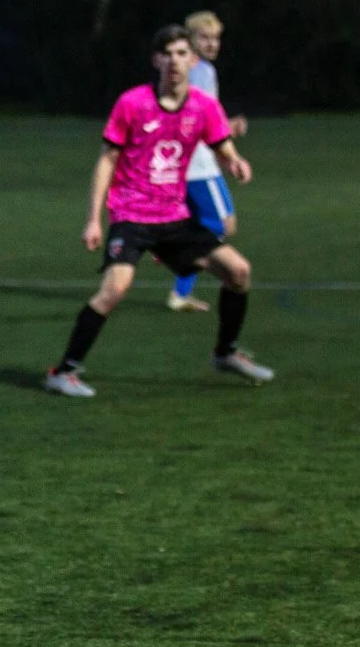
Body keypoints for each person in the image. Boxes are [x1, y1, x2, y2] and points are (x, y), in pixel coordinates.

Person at [44, 25, 274, 397]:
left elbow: (221, 142)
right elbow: (106, 161)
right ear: (156, 60)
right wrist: (93, 219)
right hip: (132, 215)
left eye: (182, 53)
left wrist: (234, 161)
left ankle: (226, 353)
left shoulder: (202, 106)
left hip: (175, 218)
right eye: (167, 54)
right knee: (115, 289)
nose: (174, 61)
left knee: (238, 271)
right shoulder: (132, 103)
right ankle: (63, 371)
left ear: (192, 60)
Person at [167, 9, 247, 312]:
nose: (212, 44)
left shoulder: (196, 70)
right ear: (191, 39)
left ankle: (179, 280)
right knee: (221, 225)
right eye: (205, 37)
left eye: (216, 38)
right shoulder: (199, 71)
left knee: (213, 225)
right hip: (198, 166)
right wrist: (227, 130)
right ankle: (179, 277)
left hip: (196, 163)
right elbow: (197, 118)